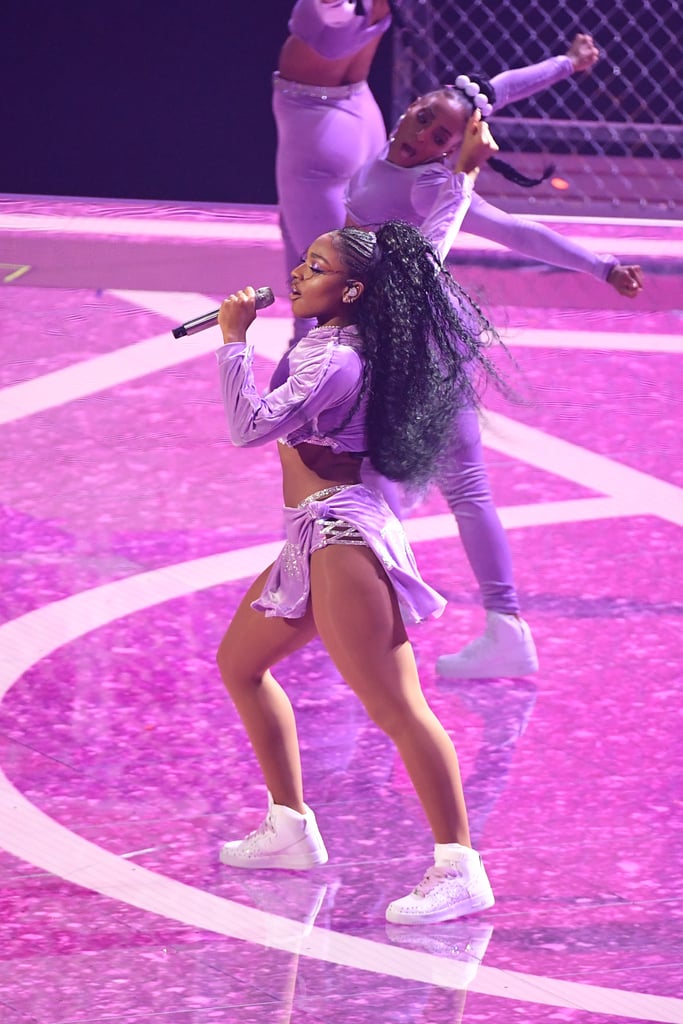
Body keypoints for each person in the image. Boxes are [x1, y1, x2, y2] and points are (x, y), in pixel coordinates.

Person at [272, 0, 643, 678]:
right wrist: (568, 61)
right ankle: (493, 628)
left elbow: (515, 234)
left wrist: (597, 266)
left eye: (434, 141)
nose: (415, 140)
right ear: (411, 106)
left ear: (450, 149)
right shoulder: (416, 147)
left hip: (407, 350)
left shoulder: (430, 187)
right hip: (411, 341)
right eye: (418, 124)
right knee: (438, 485)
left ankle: (377, 622)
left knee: (389, 484)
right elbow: (497, 89)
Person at [214, 119, 505, 925]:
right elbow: (425, 255)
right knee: (240, 663)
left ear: (348, 292)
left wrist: (234, 342)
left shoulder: (328, 355)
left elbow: (248, 427)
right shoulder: (370, 322)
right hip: (313, 538)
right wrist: (467, 181)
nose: (299, 271)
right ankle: (288, 826)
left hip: (342, 541)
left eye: (316, 268)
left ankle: (458, 866)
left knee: (396, 710)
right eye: (306, 261)